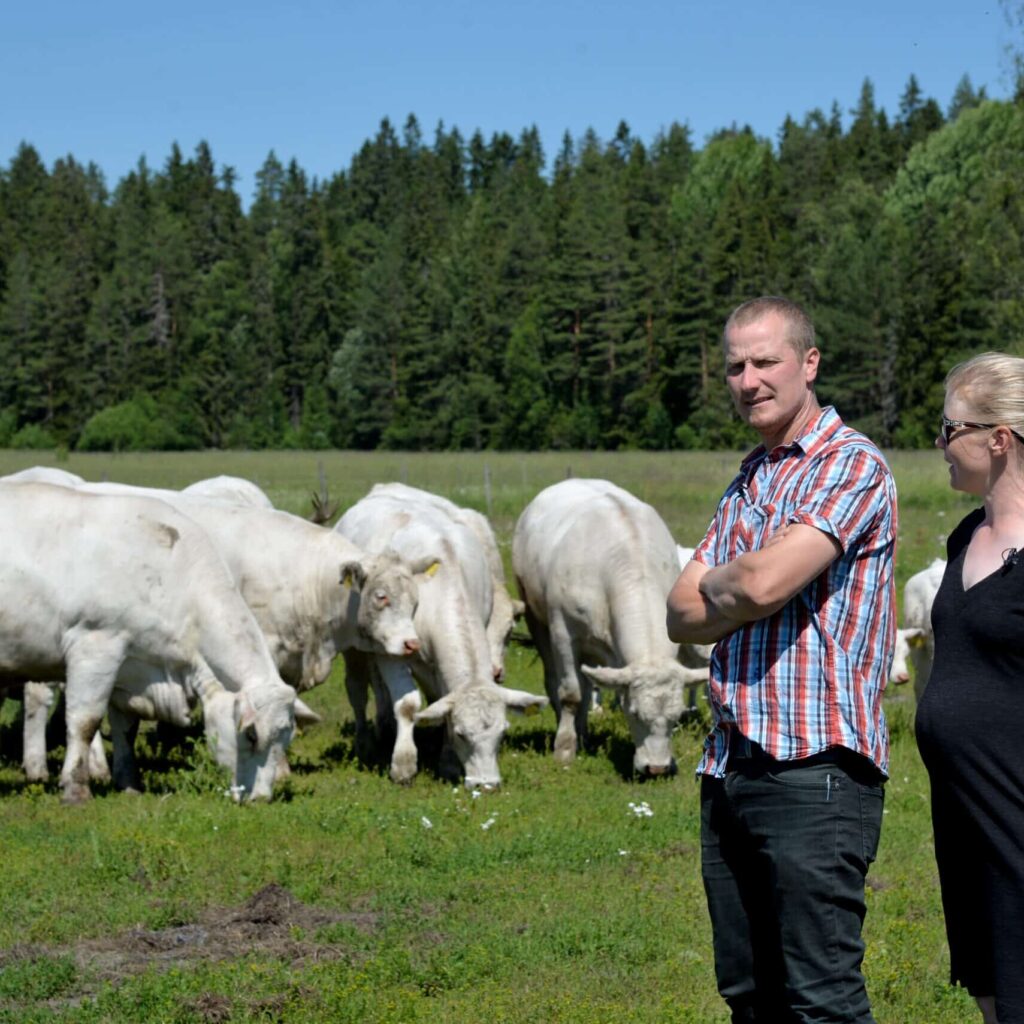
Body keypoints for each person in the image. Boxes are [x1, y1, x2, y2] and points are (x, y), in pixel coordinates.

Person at [666, 296, 897, 1024]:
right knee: (748, 994)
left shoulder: (851, 464)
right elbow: (680, 615)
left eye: (765, 361)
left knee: (822, 1000)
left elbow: (758, 583)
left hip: (815, 769)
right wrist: (742, 586)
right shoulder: (751, 478)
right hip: (731, 766)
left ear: (809, 363)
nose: (748, 379)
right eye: (735, 366)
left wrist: (730, 582)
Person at [914, 352, 1024, 1024]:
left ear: (999, 438)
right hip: (965, 821)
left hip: (1018, 815)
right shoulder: (965, 538)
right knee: (991, 989)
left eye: (950, 429)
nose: (940, 445)